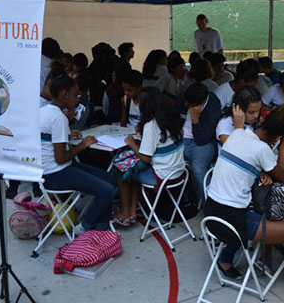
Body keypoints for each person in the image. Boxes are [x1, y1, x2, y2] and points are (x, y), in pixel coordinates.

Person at [204, 102, 284, 303]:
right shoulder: (262, 150)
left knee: (263, 210)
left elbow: (245, 161)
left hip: (211, 214)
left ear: (263, 121)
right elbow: (282, 176)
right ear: (277, 136)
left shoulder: (238, 134)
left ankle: (261, 260)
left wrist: (261, 171)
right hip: (232, 222)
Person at [40, 73, 117, 234]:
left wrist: (68, 134)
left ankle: (101, 226)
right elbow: (60, 158)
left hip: (46, 171)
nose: (77, 100)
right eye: (75, 95)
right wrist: (83, 144)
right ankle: (85, 226)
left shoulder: (44, 111)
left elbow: (49, 141)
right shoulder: (58, 118)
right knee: (107, 190)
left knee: (109, 179)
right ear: (64, 94)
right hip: (56, 173)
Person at [112, 87, 185, 227]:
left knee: (120, 169)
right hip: (179, 172)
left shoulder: (151, 125)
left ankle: (125, 213)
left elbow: (146, 158)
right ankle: (133, 212)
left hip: (162, 176)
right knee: (134, 168)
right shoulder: (170, 118)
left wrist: (131, 143)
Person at [175, 83, 222, 200]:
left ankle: (210, 206)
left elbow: (202, 140)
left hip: (203, 144)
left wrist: (195, 119)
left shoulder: (213, 107)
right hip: (180, 139)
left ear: (202, 103)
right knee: (162, 161)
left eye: (189, 104)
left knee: (198, 168)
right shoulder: (184, 98)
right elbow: (173, 121)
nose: (185, 105)